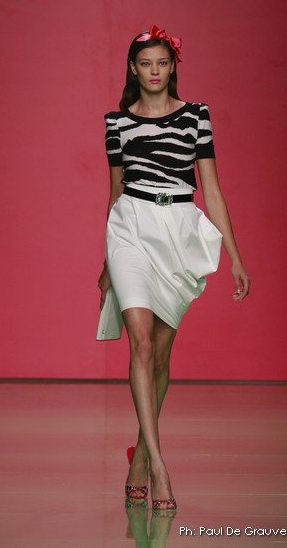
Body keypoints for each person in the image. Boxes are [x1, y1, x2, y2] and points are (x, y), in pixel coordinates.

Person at [98, 25, 250, 511]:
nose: (155, 71)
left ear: (172, 67)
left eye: (162, 63)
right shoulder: (116, 123)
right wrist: (107, 261)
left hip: (177, 231)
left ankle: (140, 456)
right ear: (133, 69)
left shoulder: (196, 116)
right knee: (141, 344)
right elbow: (115, 193)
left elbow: (212, 189)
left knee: (161, 358)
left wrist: (234, 255)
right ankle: (161, 469)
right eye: (146, 63)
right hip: (130, 229)